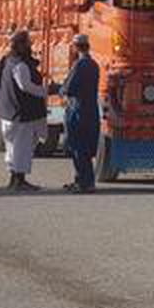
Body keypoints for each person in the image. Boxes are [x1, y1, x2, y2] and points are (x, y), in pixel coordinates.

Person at [0, 30, 48, 192]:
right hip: (20, 115)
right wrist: (45, 90)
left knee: (12, 148)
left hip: (7, 113)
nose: (29, 46)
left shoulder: (6, 61)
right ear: (21, 45)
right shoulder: (20, 65)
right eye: (27, 43)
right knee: (22, 148)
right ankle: (19, 181)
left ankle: (13, 180)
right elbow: (25, 86)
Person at [63, 34, 100, 194]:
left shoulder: (79, 65)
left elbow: (69, 88)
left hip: (77, 110)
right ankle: (83, 180)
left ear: (76, 47)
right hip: (90, 110)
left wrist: (59, 89)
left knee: (78, 148)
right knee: (84, 148)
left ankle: (84, 183)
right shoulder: (94, 64)